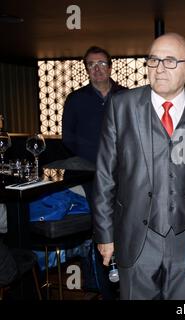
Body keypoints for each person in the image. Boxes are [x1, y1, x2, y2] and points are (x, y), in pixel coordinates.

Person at [93, 33, 185, 300]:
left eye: (171, 61)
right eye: (153, 60)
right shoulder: (121, 106)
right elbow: (105, 174)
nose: (160, 68)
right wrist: (105, 234)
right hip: (136, 234)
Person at [61, 46, 127, 299]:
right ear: (86, 68)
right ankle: (101, 288)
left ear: (111, 66)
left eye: (101, 63)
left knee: (122, 230)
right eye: (91, 64)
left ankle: (127, 286)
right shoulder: (76, 99)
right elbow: (69, 139)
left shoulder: (125, 96)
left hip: (122, 176)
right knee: (96, 233)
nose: (96, 69)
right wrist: (99, 158)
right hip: (88, 176)